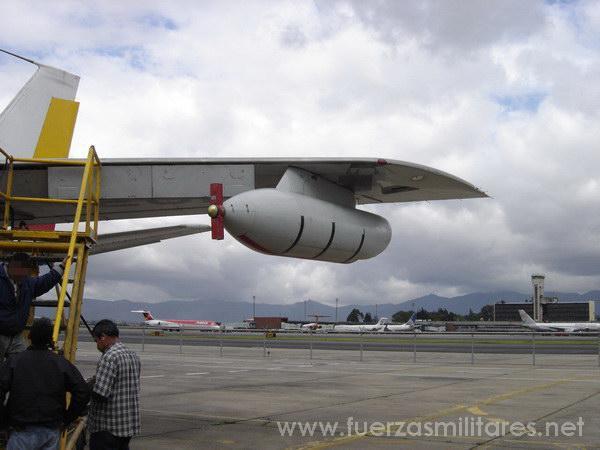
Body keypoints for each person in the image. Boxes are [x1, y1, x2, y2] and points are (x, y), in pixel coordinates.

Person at [0, 317, 90, 450]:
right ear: (50, 339)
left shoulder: (15, 361)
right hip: (51, 430)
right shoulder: (61, 363)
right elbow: (83, 392)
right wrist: (67, 418)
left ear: (29, 336)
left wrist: (3, 423)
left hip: (20, 430)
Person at [0, 253, 66, 359]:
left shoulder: (25, 281)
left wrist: (61, 267)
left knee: (23, 363)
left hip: (15, 335)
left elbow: (43, 283)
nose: (23, 277)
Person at [88, 319, 141, 450]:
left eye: (96, 341)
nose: (97, 345)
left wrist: (85, 388)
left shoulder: (109, 357)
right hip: (126, 426)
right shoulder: (132, 355)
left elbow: (100, 394)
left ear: (103, 337)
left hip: (107, 427)